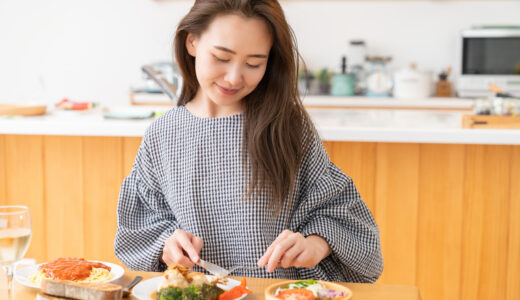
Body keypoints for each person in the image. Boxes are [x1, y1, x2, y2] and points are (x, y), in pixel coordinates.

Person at [115, 0, 383, 283]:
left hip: (281, 290)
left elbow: (342, 212)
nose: (234, 78)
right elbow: (138, 227)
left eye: (254, 63)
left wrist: (315, 243)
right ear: (191, 42)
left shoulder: (287, 126)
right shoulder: (162, 133)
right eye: (221, 57)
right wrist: (167, 244)